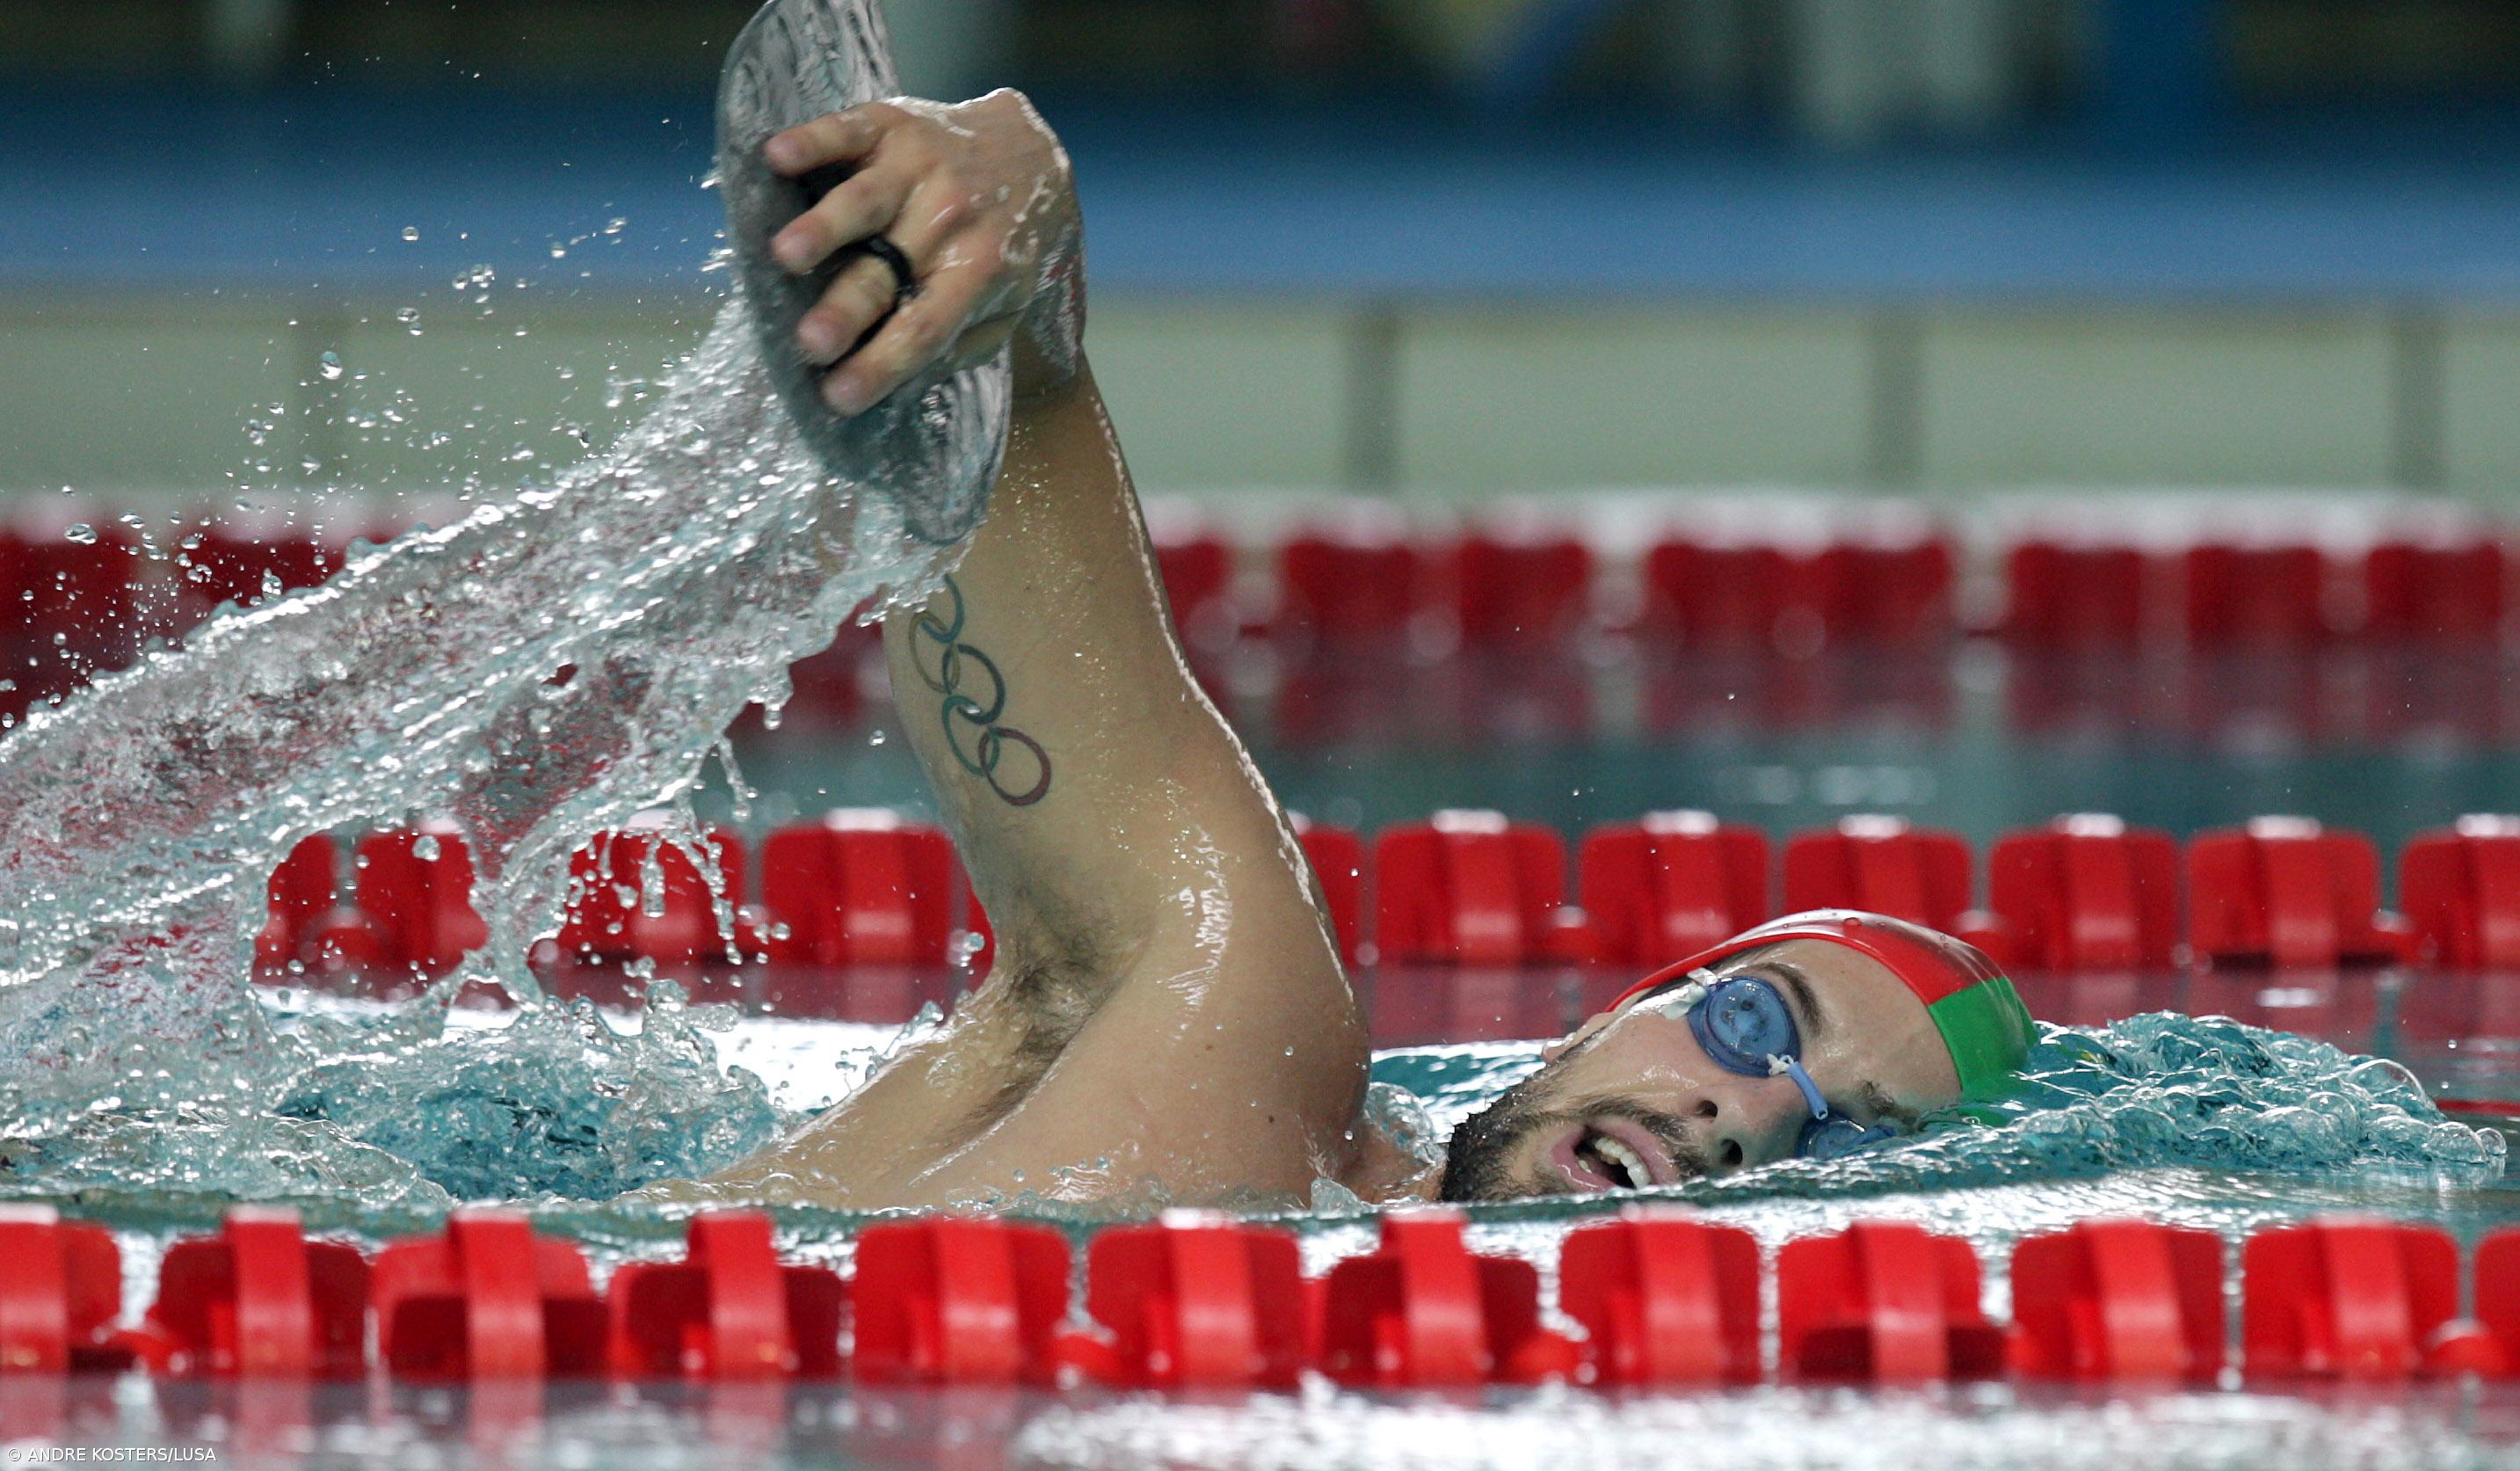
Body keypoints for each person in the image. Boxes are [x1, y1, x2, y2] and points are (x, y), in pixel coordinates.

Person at [688, 88, 2036, 1211]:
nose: (1742, 1116)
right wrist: (1022, 265)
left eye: (1846, 1139)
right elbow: (1010, 417)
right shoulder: (1247, 1062)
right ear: (1616, 1010)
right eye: (1755, 1024)